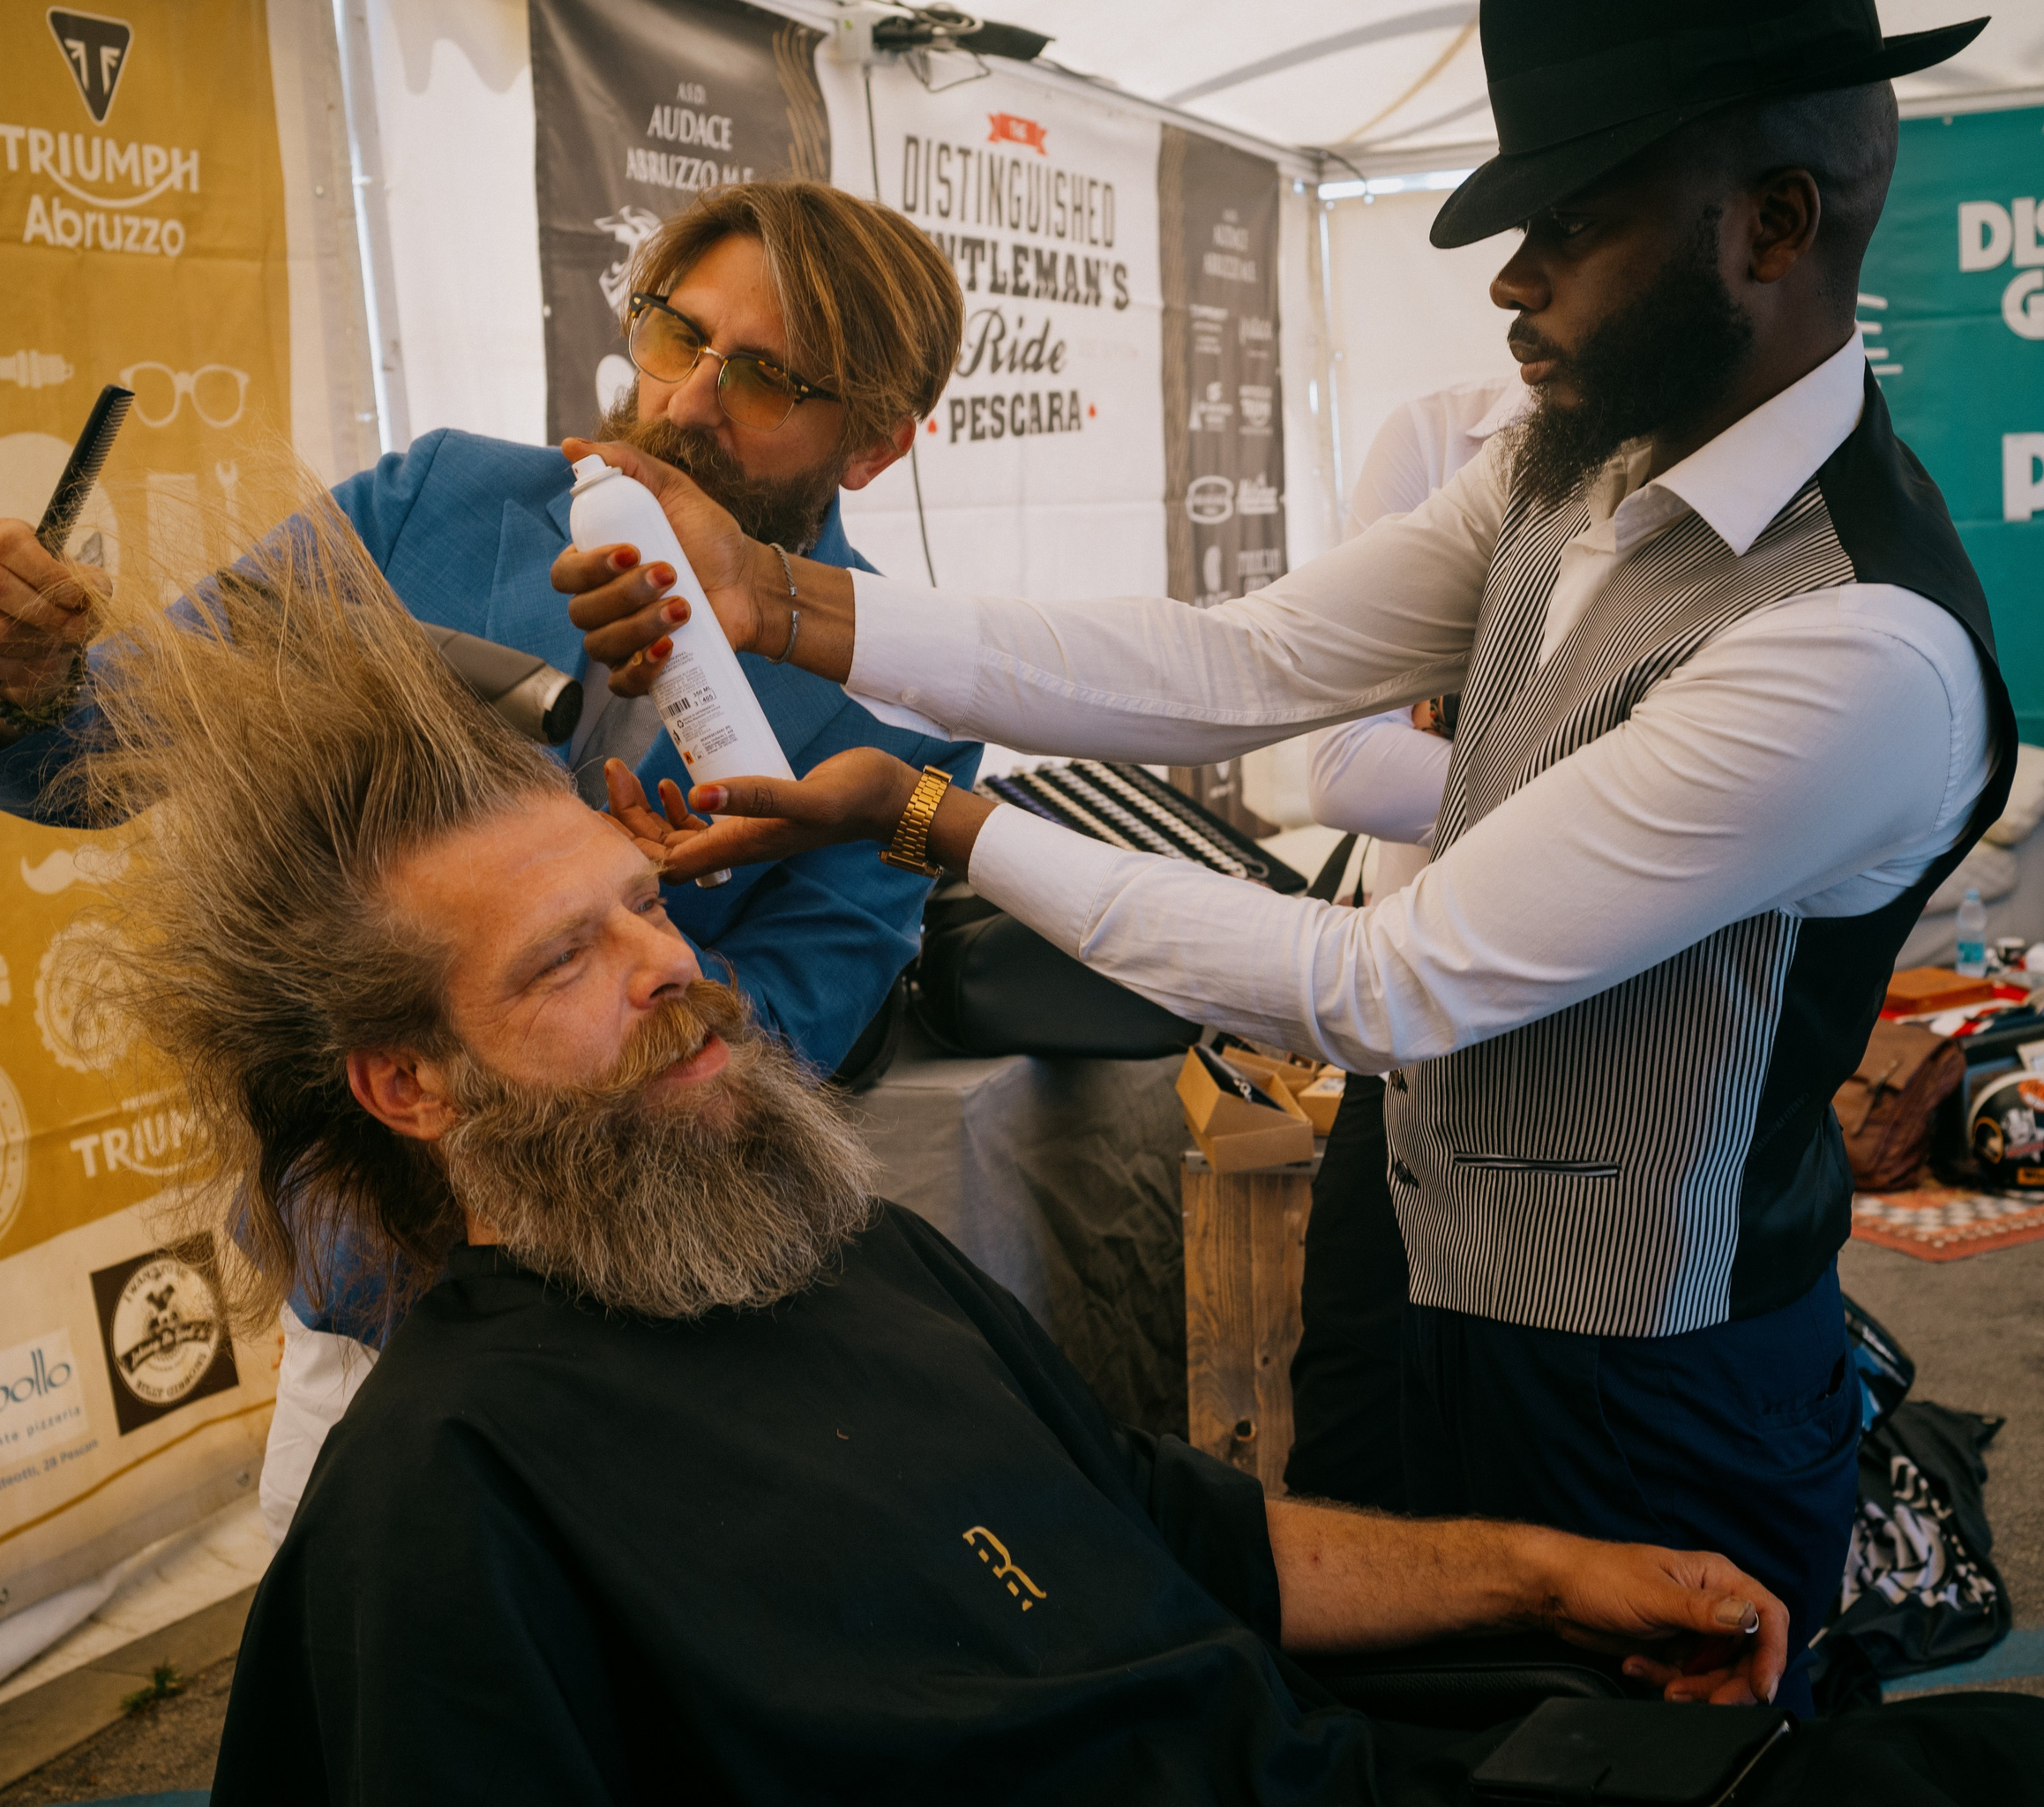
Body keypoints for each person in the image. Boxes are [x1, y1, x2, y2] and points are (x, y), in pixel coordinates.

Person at [63, 484, 2044, 1805]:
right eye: (566, 961)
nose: (675, 971)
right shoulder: (451, 1495)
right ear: (408, 1086)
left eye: (646, 903)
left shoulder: (830, 1244)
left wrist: (1534, 1572)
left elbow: (1158, 1519)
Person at [557, 2, 2011, 1716]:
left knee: (1605, 1768)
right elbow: (1234, 661)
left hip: (1646, 1383)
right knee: (1373, 1746)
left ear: (1771, 223)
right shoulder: (1571, 465)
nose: (1507, 281)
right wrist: (779, 599)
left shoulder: (1855, 641)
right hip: (1393, 1272)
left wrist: (929, 816)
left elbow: (1386, 985)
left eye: (1569, 229)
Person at [0, 180, 981, 1537]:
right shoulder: (441, 501)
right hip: (370, 1294)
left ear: (876, 446)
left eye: (770, 378)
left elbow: (799, 1033)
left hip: (648, 1312)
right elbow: (106, 745)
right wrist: (28, 678)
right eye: (676, 334)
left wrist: (589, 920)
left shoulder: (903, 700)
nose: (686, 404)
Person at [1285, 372, 1523, 1513]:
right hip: (1415, 1022)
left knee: (1561, 1410)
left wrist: (1468, 723)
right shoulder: (1438, 438)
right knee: (1355, 1401)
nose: (1524, 279)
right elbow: (1342, 764)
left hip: (1621, 1035)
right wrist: (1622, 776)